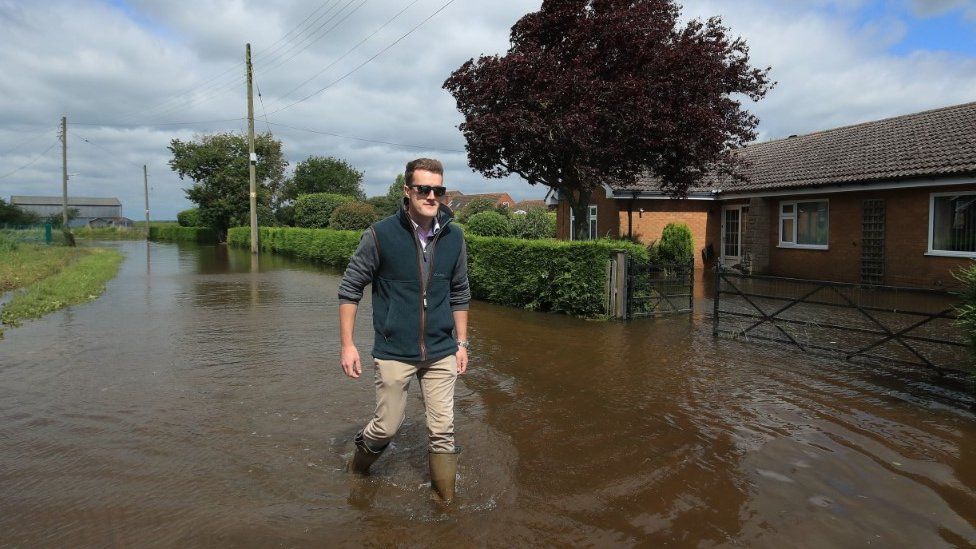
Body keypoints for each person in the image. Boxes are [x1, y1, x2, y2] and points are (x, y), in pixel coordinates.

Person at [337, 158, 470, 503]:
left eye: (437, 190)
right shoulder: (380, 235)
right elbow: (351, 288)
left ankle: (446, 505)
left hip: (441, 348)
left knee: (442, 430)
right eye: (423, 189)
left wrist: (462, 343)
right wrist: (348, 345)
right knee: (387, 427)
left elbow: (460, 292)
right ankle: (357, 470)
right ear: (407, 191)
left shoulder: (454, 237)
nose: (430, 195)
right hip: (395, 349)